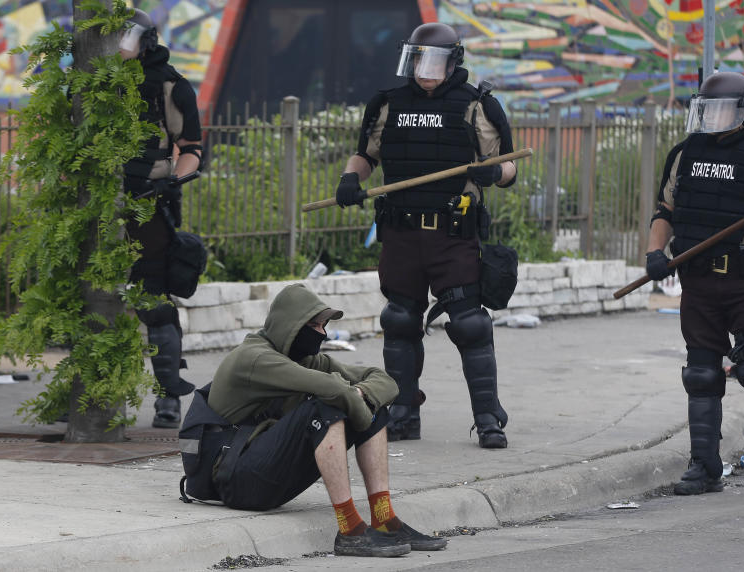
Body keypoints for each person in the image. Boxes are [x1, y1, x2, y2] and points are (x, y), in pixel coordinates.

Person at [334, 22, 517, 447]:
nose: (425, 70)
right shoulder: (388, 105)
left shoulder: (477, 107)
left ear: (453, 62)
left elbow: (509, 167)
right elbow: (366, 155)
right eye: (418, 60)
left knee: (470, 324)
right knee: (399, 321)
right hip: (400, 234)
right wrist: (349, 179)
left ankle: (488, 417)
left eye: (434, 61)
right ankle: (401, 414)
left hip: (451, 234)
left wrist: (494, 171)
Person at [183, 283, 446, 557]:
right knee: (325, 408)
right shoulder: (255, 358)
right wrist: (355, 403)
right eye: (316, 325)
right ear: (291, 326)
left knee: (370, 402)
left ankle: (383, 518)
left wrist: (361, 396)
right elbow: (331, 390)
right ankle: (350, 529)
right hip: (235, 482)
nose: (323, 333)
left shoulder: (304, 358)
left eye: (324, 325)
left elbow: (385, 381)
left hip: (267, 473)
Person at [645, 71, 744, 499]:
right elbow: (665, 211)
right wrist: (656, 254)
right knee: (701, 375)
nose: (712, 117)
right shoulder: (686, 154)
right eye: (706, 109)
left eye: (721, 109)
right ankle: (704, 467)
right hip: (699, 283)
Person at [118, 9, 203, 428]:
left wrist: (175, 180)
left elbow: (191, 147)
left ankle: (168, 396)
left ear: (145, 41)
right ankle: (88, 398)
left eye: (125, 37)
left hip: (148, 201)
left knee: (152, 300)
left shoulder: (169, 86)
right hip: (96, 206)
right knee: (89, 300)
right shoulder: (88, 85)